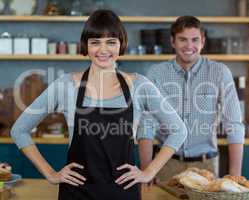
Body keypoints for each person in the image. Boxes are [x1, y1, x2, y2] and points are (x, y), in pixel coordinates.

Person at [10, 10, 187, 200]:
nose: (103, 50)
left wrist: (149, 171)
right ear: (86, 46)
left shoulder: (139, 85)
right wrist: (51, 174)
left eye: (111, 42)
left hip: (123, 193)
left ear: (121, 45)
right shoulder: (66, 85)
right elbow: (19, 130)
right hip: (76, 193)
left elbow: (179, 131)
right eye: (95, 42)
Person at [138, 16, 245, 182]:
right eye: (182, 40)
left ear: (202, 41)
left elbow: (234, 124)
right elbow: (146, 124)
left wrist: (235, 175)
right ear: (172, 41)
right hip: (165, 165)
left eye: (195, 40)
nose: (189, 46)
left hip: (206, 166)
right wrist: (146, 170)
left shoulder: (219, 72)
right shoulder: (156, 73)